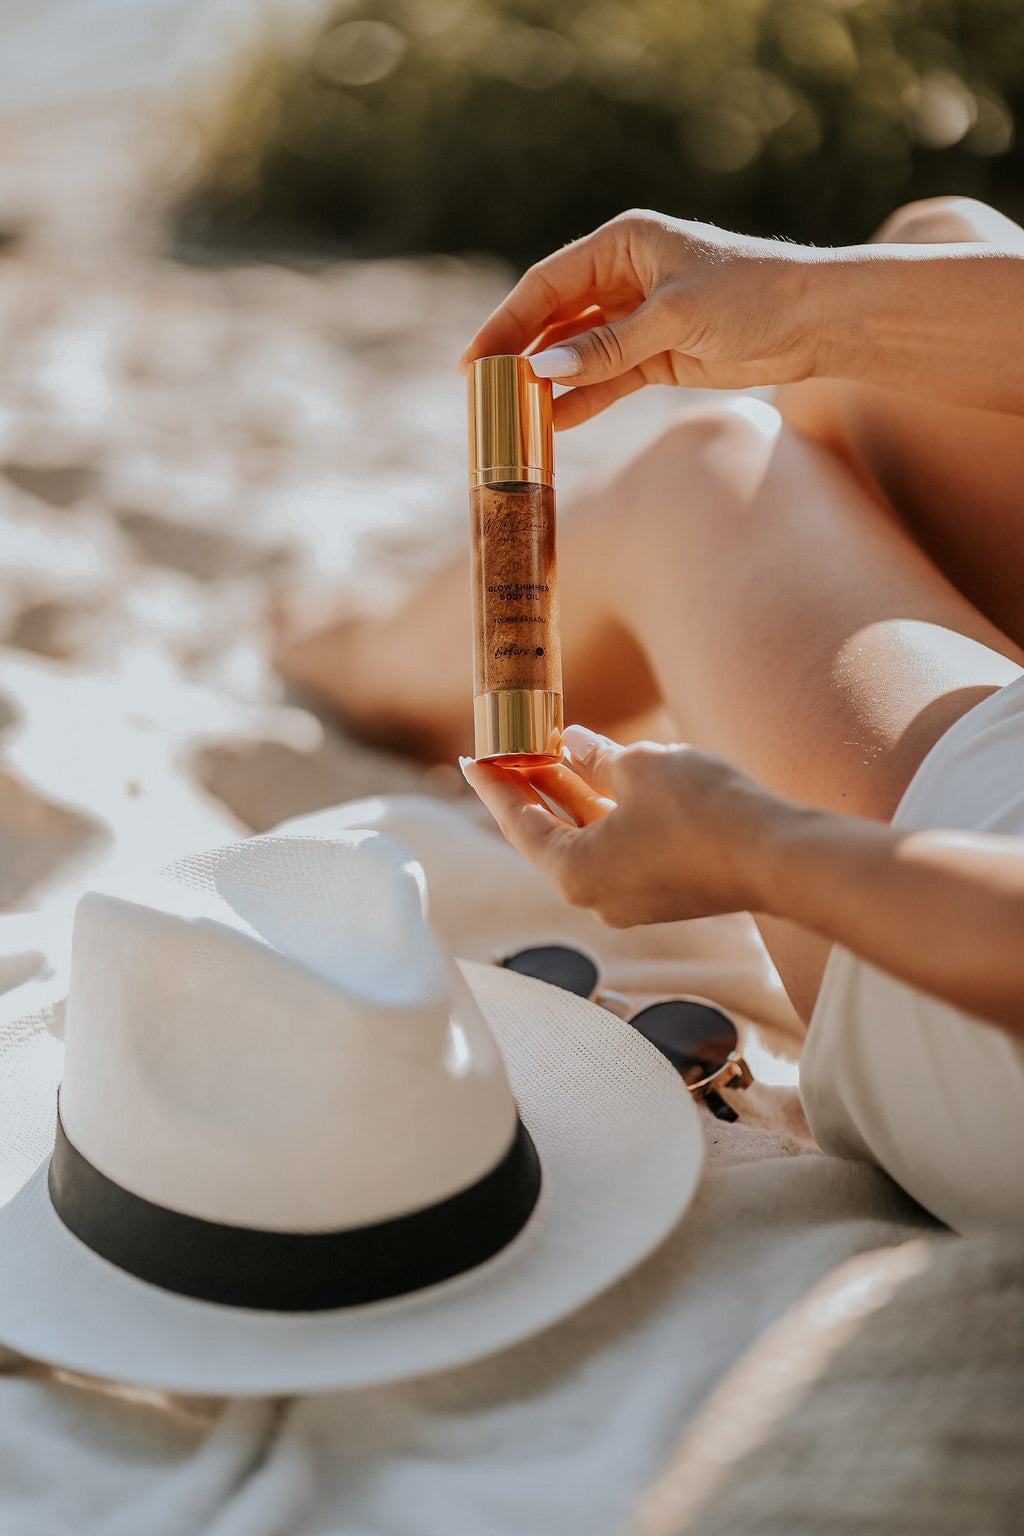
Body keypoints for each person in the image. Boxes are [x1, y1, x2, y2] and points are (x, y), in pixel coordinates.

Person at [278, 197, 1024, 1230]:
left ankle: (355, 657)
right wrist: (801, 303)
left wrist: (763, 851)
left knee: (713, 464)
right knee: (937, 248)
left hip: (978, 958)